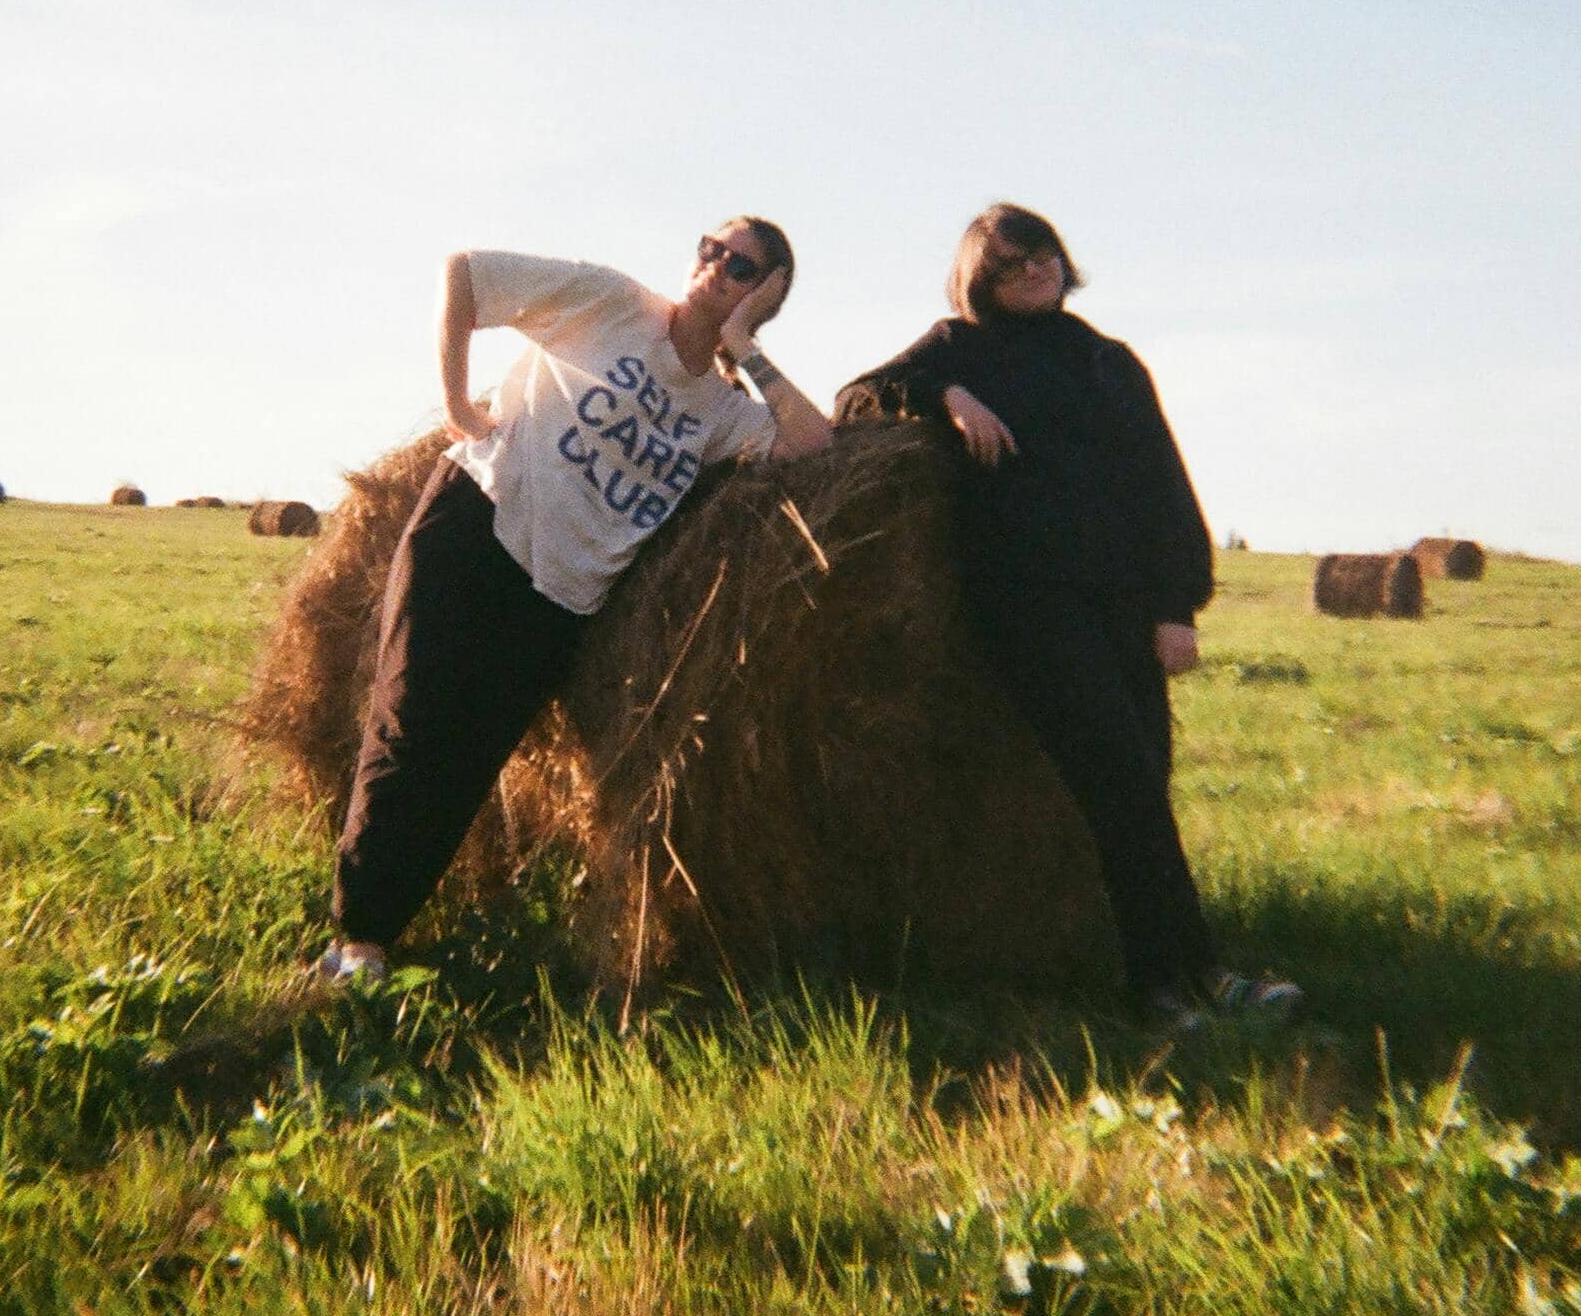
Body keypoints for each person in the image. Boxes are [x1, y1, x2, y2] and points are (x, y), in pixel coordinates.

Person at [319, 219, 835, 983]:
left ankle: (383, 923)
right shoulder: (612, 302)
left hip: (561, 600)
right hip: (479, 526)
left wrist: (745, 346)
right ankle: (356, 941)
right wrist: (458, 402)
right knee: (411, 723)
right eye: (710, 248)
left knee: (469, 760)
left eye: (740, 267)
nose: (713, 267)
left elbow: (816, 445)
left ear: (762, 294)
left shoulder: (722, 411)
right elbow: (464, 274)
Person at [839, 203, 1298, 1027]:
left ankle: (1186, 977)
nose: (1031, 270)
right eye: (1008, 263)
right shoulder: (958, 348)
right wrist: (945, 394)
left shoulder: (1107, 362)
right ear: (979, 279)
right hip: (1026, 604)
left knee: (1142, 789)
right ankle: (1172, 985)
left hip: (1123, 606)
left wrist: (1175, 604)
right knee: (1121, 780)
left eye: (1040, 251)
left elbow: (1162, 483)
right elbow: (855, 397)